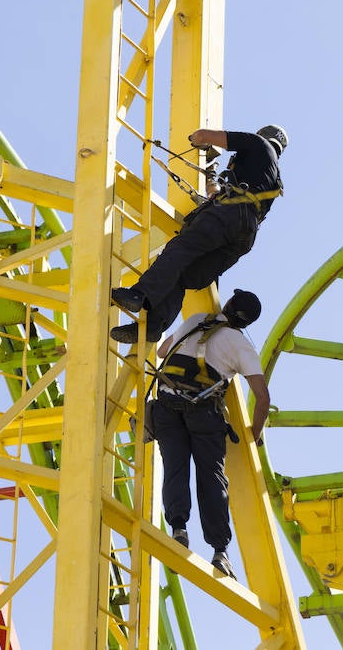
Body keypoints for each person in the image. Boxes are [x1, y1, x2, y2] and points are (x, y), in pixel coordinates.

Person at [110, 125, 286, 344]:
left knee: (180, 250)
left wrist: (197, 139)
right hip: (244, 235)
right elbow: (226, 197)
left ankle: (140, 294)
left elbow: (203, 136)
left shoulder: (257, 144)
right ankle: (154, 326)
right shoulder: (272, 176)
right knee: (184, 274)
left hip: (230, 216)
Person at [148, 289, 270, 580]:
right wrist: (256, 431)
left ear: (228, 304)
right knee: (211, 477)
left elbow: (163, 351)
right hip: (203, 413)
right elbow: (263, 398)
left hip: (166, 406)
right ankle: (220, 551)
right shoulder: (241, 346)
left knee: (175, 467)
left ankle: (178, 528)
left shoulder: (197, 320)